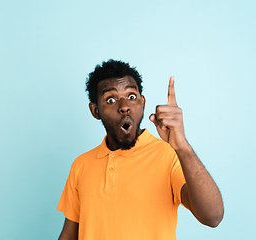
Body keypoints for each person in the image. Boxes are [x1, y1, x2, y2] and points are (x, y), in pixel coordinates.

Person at [57, 59, 224, 240]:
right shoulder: (81, 165)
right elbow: (68, 235)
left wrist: (183, 147)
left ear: (142, 102)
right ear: (95, 110)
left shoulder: (169, 155)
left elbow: (212, 217)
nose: (124, 107)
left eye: (131, 96)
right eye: (110, 99)